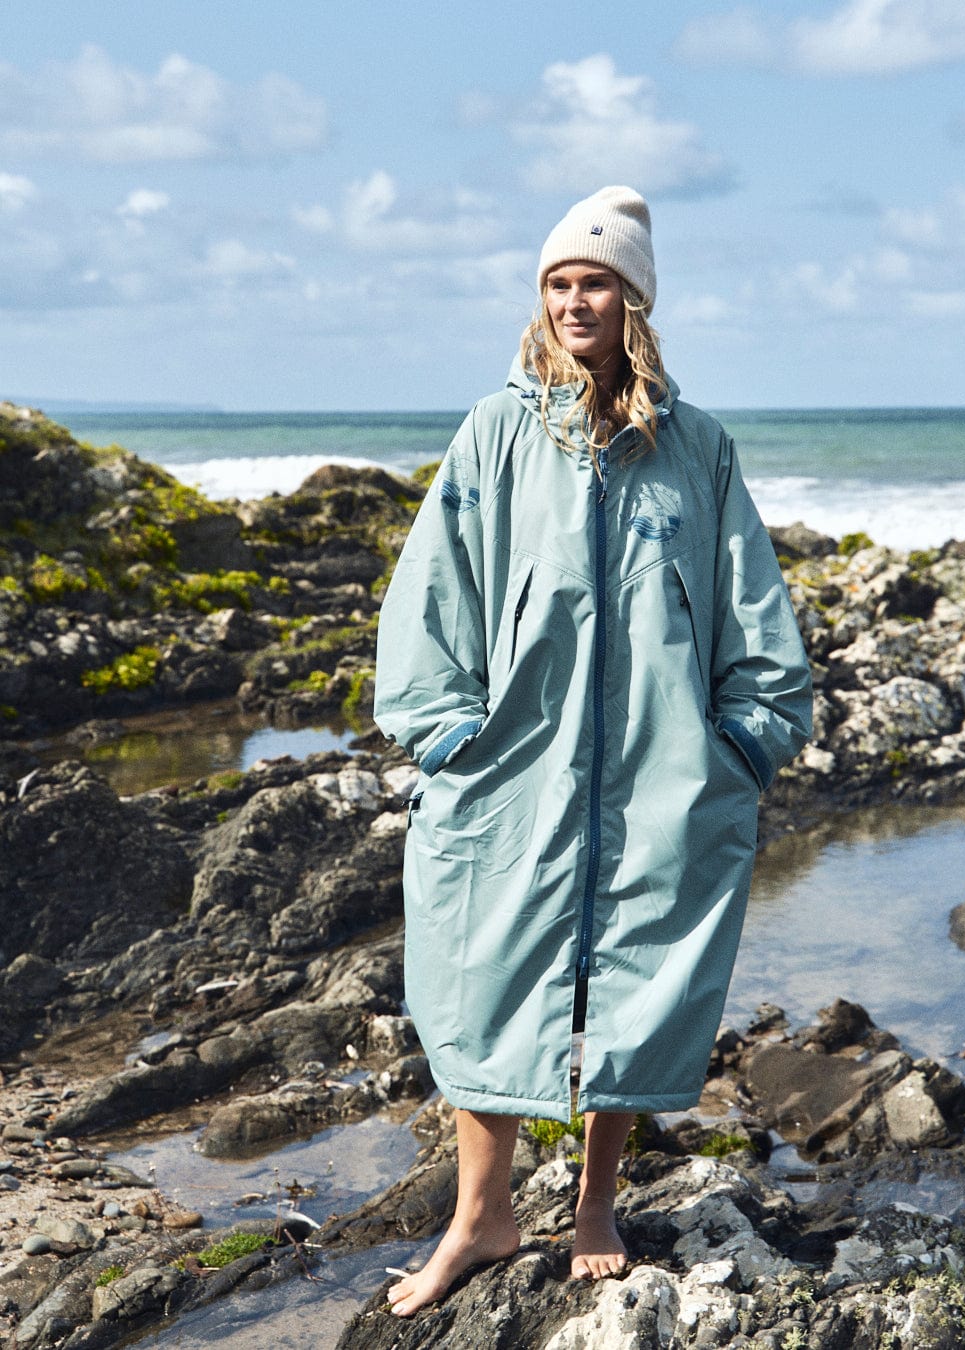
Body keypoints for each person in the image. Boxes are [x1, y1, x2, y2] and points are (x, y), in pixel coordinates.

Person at [373, 185, 813, 1316]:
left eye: (597, 282)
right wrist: (444, 732)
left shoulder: (698, 449)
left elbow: (755, 613)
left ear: (636, 303)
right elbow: (432, 593)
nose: (576, 300)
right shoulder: (496, 432)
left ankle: (596, 1202)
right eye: (560, 282)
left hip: (663, 764)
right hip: (516, 756)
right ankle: (481, 1216)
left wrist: (745, 746)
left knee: (640, 970)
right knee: (483, 968)